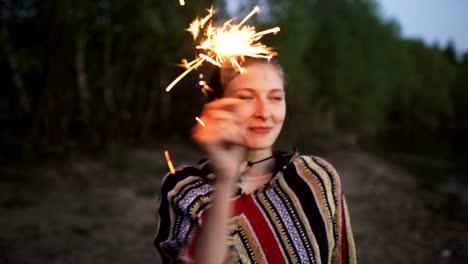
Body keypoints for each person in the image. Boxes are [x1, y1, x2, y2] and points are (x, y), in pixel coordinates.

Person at [154, 58, 357, 264]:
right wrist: (226, 180)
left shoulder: (316, 176)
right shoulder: (183, 188)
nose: (264, 113)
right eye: (246, 97)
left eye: (276, 98)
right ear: (216, 106)